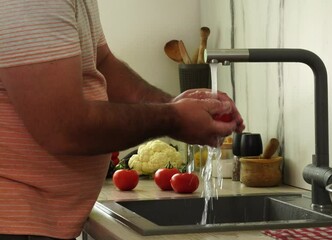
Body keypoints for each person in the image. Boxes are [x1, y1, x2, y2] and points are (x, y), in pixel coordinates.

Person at [0, 1, 244, 239]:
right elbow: (64, 127)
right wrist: (174, 118)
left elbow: (103, 62)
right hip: (13, 223)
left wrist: (172, 105)